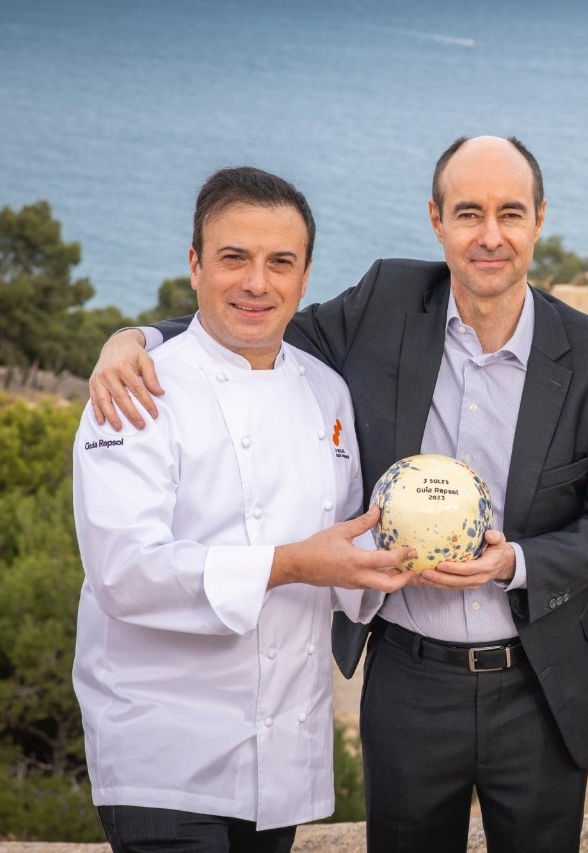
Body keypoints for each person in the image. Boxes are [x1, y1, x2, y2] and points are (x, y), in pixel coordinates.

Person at [86, 136, 588, 853]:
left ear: (540, 219)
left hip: (536, 687)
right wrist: (132, 337)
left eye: (510, 212)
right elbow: (258, 320)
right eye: (468, 212)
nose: (490, 235)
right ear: (436, 219)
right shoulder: (387, 301)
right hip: (408, 679)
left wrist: (517, 562)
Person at [72, 166, 416, 851]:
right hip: (163, 756)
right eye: (234, 258)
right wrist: (291, 564)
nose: (257, 282)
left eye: (279, 262)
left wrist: (416, 559)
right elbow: (124, 572)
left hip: (280, 758)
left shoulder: (326, 392)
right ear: (195, 264)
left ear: (306, 275)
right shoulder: (137, 388)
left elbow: (346, 555)